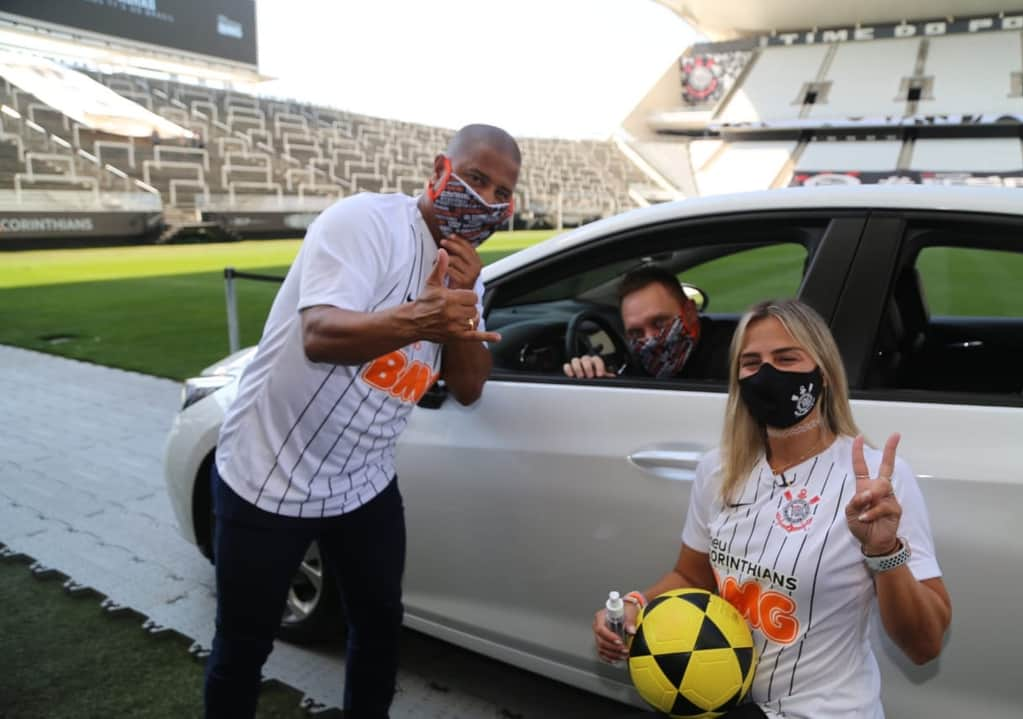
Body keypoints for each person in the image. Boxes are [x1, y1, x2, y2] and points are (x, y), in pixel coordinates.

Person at [205, 124, 520, 718]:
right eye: (476, 178)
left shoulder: (462, 269)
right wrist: (422, 319)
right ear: (438, 171)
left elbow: (471, 385)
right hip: (268, 476)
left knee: (378, 630)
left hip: (362, 481)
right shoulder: (364, 223)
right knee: (243, 647)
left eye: (501, 193)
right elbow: (321, 335)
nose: (486, 199)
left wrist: (466, 293)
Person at [592, 298, 951, 718]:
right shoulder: (719, 470)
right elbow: (692, 575)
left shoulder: (874, 483)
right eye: (751, 363)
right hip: (724, 700)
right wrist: (635, 605)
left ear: (825, 373)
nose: (766, 375)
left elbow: (924, 647)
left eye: (786, 358)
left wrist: (885, 552)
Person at [562, 265, 727, 380]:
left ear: (690, 312)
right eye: (636, 333)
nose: (650, 341)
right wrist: (592, 374)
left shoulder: (731, 355)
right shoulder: (638, 365)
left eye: (659, 323)